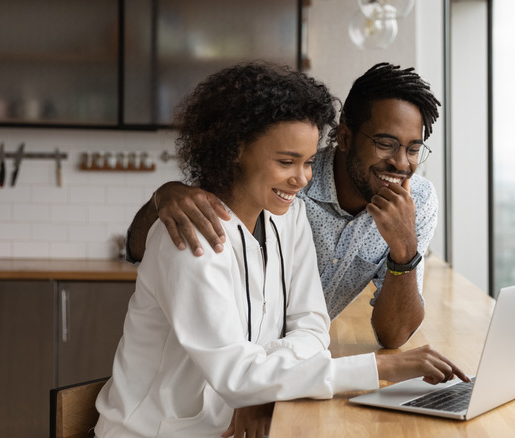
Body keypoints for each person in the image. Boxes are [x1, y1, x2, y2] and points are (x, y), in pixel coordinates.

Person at [95, 62, 467, 438]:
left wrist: (267, 386)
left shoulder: (287, 217)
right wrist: (381, 369)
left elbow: (311, 326)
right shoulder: (191, 232)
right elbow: (237, 374)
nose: (302, 178)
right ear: (235, 149)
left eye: (307, 163)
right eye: (287, 162)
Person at [126, 62, 440, 349]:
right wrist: (164, 196)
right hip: (234, 358)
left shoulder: (418, 202)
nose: (401, 162)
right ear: (344, 137)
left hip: (286, 362)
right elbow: (141, 249)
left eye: (413, 149)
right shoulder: (282, 187)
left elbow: (393, 336)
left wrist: (405, 250)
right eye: (385, 144)